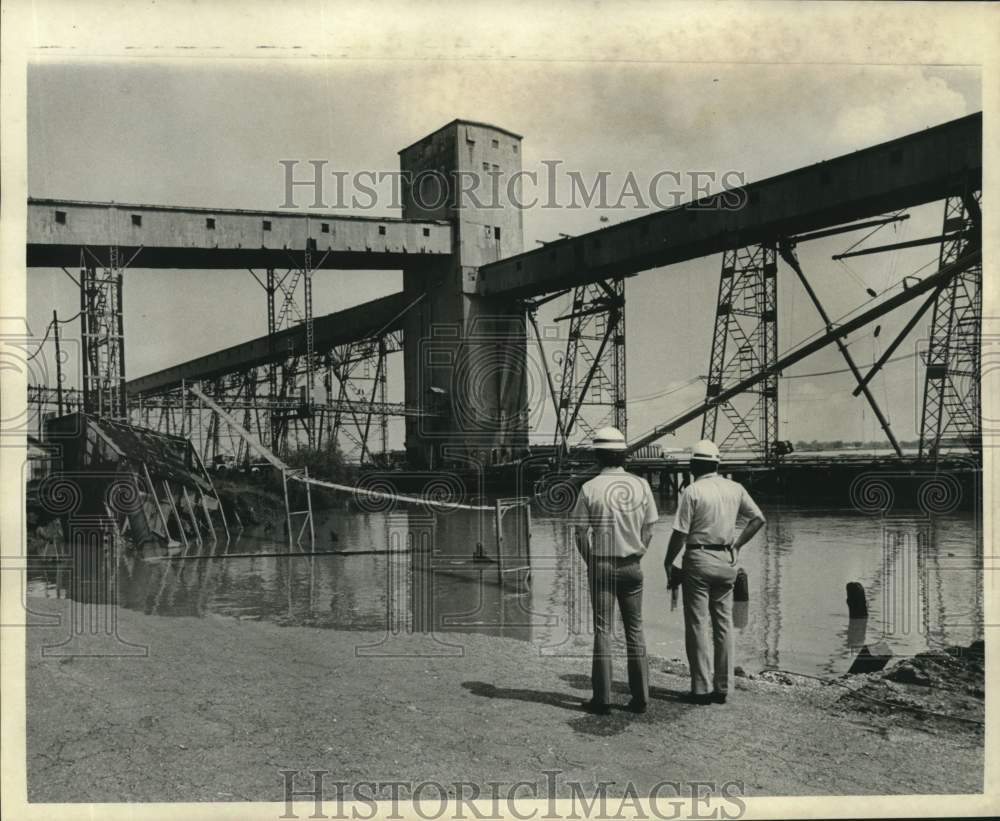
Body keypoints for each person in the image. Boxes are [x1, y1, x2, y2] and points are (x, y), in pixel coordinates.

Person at [664, 439, 765, 705]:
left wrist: (668, 561)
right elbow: (758, 519)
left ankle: (700, 689)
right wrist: (738, 544)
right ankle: (723, 688)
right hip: (726, 561)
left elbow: (680, 533)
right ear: (717, 463)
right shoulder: (735, 488)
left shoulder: (693, 491)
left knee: (697, 625)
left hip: (698, 559)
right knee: (724, 626)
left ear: (693, 465)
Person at [571, 427, 659, 715]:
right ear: (623, 454)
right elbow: (649, 528)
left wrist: (590, 561)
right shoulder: (641, 485)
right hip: (632, 564)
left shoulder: (589, 488)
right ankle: (641, 697)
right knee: (635, 629)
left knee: (602, 630)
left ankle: (603, 699)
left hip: (602, 563)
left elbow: (580, 533)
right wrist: (640, 551)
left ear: (597, 455)